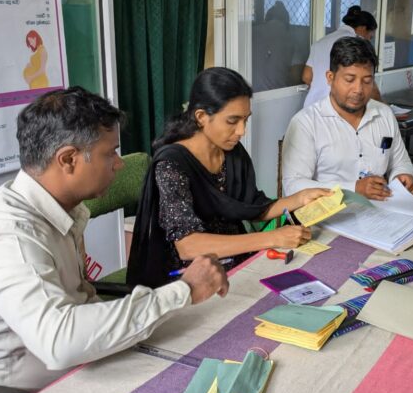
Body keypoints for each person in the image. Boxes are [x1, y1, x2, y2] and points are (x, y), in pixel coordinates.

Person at [0, 87, 229, 393]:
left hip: (84, 363)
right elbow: (59, 342)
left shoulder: (61, 207)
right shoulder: (10, 236)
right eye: (109, 152)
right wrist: (183, 291)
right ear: (69, 160)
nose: (119, 163)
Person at [127, 67, 330, 289]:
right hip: (192, 275)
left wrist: (300, 198)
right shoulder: (172, 165)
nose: (241, 131)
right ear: (202, 117)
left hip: (237, 259)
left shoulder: (231, 152)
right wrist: (273, 238)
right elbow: (188, 246)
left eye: (245, 120)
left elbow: (254, 208)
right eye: (232, 121)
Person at [283, 36, 413, 200]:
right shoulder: (306, 123)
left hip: (378, 211)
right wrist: (353, 189)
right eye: (349, 80)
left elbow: (400, 161)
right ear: (330, 78)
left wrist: (402, 176)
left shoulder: (384, 114)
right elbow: (293, 186)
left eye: (367, 81)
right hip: (326, 217)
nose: (358, 90)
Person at [301, 5, 381, 108]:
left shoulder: (320, 43)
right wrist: (384, 107)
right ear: (363, 28)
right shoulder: (357, 44)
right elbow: (367, 83)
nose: (369, 40)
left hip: (312, 106)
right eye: (370, 36)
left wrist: (323, 88)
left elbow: (306, 77)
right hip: (337, 110)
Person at [251, 0, 296, 92]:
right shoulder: (291, 39)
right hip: (276, 95)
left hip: (248, 92)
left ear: (266, 19)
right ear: (287, 21)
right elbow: (296, 74)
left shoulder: (251, 32)